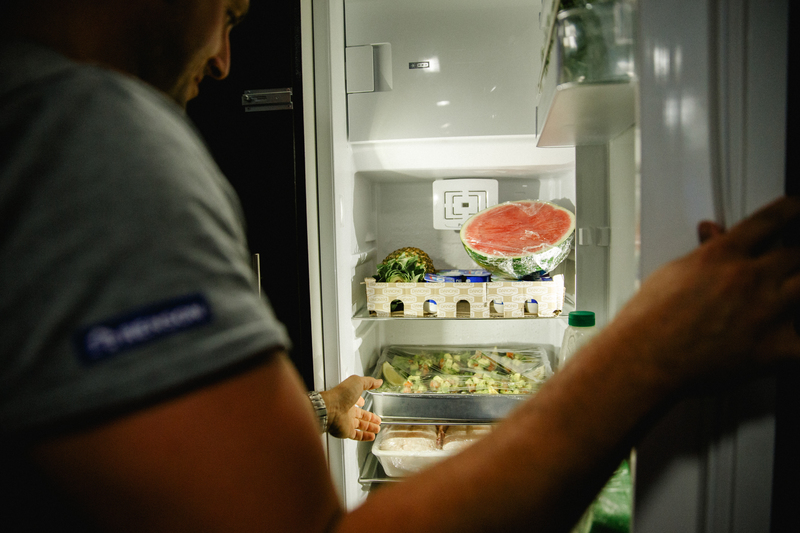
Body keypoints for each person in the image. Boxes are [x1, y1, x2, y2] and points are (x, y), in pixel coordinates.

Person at [1, 1, 799, 532]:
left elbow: (127, 451)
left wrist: (325, 409)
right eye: (231, 10)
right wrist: (649, 355)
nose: (224, 59)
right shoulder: (83, 132)